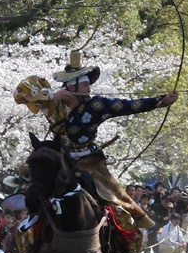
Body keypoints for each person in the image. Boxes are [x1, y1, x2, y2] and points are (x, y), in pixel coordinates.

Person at [14, 50, 178, 231]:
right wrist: (52, 96)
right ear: (71, 87)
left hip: (90, 162)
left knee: (118, 203)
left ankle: (121, 243)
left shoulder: (96, 105)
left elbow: (130, 106)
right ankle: (30, 234)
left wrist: (161, 100)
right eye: (85, 85)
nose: (89, 89)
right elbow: (20, 93)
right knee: (37, 191)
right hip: (60, 160)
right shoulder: (53, 102)